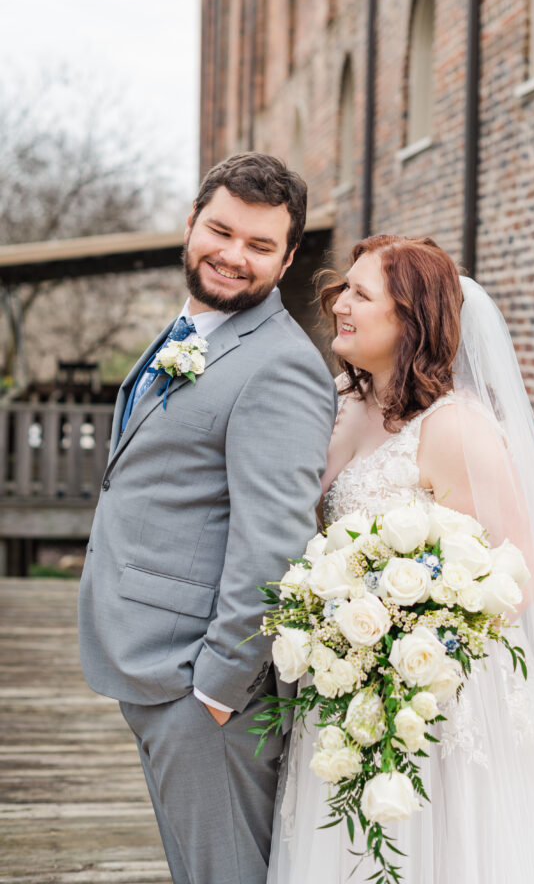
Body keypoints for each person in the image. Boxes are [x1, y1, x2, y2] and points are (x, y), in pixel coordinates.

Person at [267, 234, 534, 884]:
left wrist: (403, 641)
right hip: (345, 684)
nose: (338, 304)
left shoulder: (453, 427)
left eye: (360, 293)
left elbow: (518, 570)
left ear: (410, 317)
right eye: (342, 288)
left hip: (434, 701)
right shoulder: (341, 401)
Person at [78, 153, 336, 884]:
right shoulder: (193, 330)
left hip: (202, 688)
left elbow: (276, 545)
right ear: (191, 224)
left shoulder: (279, 366)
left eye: (259, 246)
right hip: (150, 662)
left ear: (285, 261)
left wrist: (217, 690)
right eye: (221, 231)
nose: (232, 256)